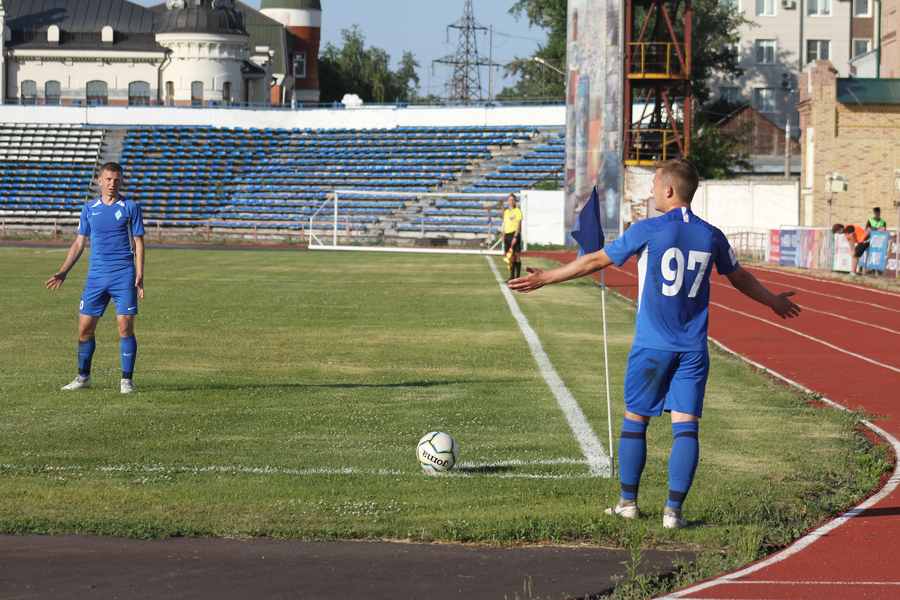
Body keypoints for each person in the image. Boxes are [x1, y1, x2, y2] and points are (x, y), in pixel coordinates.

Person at [509, 159, 800, 529]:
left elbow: (596, 260)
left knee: (636, 419)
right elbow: (740, 277)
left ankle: (628, 502)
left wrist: (547, 277)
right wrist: (773, 301)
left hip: (652, 345)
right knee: (686, 426)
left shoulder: (648, 229)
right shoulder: (712, 234)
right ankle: (673, 512)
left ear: (668, 190)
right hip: (693, 348)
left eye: (654, 186)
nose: (650, 192)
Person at [45, 162, 145, 394]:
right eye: (108, 179)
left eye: (117, 180)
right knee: (84, 329)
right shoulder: (89, 209)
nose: (112, 184)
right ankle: (83, 377)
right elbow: (79, 242)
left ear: (121, 181)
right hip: (96, 277)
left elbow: (139, 242)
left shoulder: (130, 207)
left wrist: (140, 273)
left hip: (123, 275)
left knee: (125, 327)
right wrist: (63, 271)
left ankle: (126, 381)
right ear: (100, 180)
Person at [501, 193, 524, 281]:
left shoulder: (517, 211)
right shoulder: (506, 212)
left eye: (512, 200)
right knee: (509, 257)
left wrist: (515, 236)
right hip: (507, 235)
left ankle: (517, 277)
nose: (511, 201)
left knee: (516, 256)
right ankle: (511, 276)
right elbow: (504, 224)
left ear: (515, 201)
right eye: (509, 200)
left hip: (514, 234)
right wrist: (503, 235)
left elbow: (519, 225)